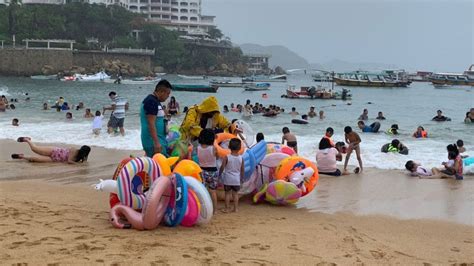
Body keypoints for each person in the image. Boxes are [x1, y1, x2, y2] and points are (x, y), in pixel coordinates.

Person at [140, 80, 172, 157]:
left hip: (158, 140)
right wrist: (156, 143)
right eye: (167, 93)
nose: (168, 96)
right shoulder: (151, 101)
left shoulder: (155, 101)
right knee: (160, 165)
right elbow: (151, 123)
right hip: (154, 142)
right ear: (161, 92)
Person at [11, 137, 90, 164]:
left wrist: (83, 161)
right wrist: (78, 165)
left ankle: (21, 156)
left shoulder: (80, 157)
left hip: (54, 159)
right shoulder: (74, 149)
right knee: (35, 149)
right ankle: (27, 139)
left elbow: (83, 162)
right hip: (54, 151)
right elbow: (69, 161)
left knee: (34, 159)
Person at [218, 138, 244, 213]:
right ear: (239, 148)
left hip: (228, 179)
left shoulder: (227, 157)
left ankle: (227, 208)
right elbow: (242, 170)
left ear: (229, 147)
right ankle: (236, 209)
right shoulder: (241, 158)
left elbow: (222, 167)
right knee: (235, 194)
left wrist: (219, 174)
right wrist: (242, 179)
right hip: (236, 179)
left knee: (227, 194)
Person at [197, 129, 219, 214]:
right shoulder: (213, 148)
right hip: (213, 171)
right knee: (213, 191)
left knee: (203, 190)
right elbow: (217, 157)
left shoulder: (198, 148)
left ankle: (204, 208)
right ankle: (215, 210)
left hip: (202, 171)